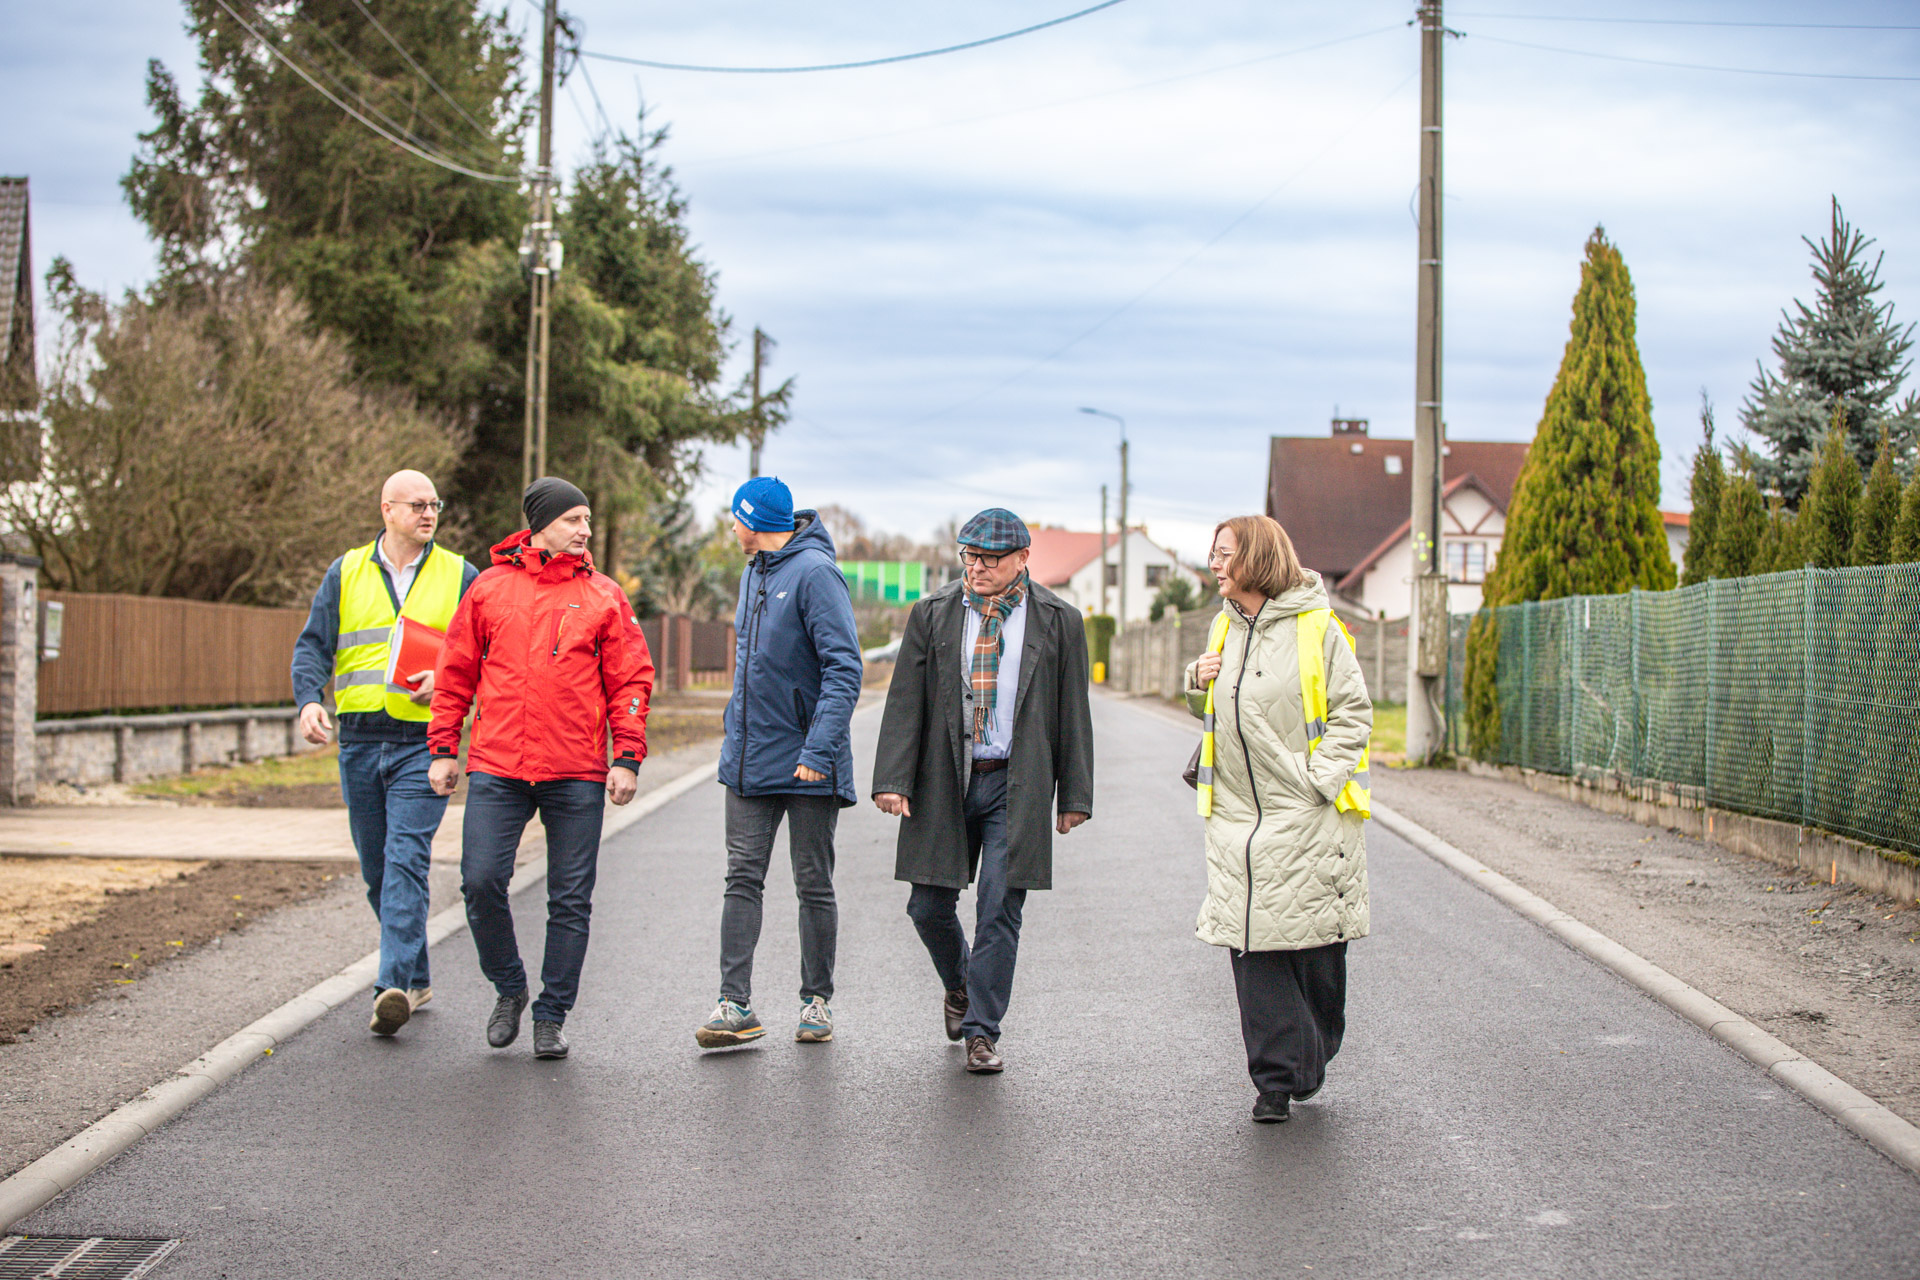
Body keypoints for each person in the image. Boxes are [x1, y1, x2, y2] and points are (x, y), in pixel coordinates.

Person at [427, 477, 654, 1061]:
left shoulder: (604, 595)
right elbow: (455, 674)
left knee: (570, 899)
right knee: (479, 882)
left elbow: (630, 680)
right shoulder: (488, 590)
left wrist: (626, 756)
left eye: (586, 521)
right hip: (499, 765)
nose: (585, 531)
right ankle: (510, 987)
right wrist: (442, 747)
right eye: (575, 520)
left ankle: (552, 1015)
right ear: (542, 524)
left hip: (576, 769)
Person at [872, 508, 1094, 1074]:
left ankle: (981, 1032)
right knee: (927, 906)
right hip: (944, 779)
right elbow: (906, 701)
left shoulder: (1059, 620)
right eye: (969, 557)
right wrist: (893, 780)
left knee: (999, 907)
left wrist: (1074, 795)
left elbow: (1073, 709)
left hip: (1014, 784)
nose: (976, 568)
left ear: (1023, 559)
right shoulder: (933, 613)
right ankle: (961, 985)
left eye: (990, 560)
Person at [1185, 515, 1371, 1123]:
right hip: (1236, 820)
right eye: (1212, 553)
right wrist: (1196, 683)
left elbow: (1353, 715)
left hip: (1307, 816)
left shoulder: (1319, 629)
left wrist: (1317, 780)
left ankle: (1312, 1052)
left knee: (1314, 950)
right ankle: (1274, 1082)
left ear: (1258, 559)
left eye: (1224, 553)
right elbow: (1217, 714)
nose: (1214, 563)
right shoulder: (1222, 626)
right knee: (1252, 949)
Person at [291, 470, 477, 1039]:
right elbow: (313, 645)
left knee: (405, 861)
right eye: (417, 505)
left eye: (435, 505)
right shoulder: (345, 571)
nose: (429, 514)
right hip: (358, 740)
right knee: (377, 871)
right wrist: (307, 701)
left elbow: (485, 653)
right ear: (387, 510)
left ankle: (390, 985)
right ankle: (416, 976)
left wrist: (444, 676)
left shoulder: (461, 575)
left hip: (425, 743)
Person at [695, 477, 863, 1049]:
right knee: (742, 877)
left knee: (812, 883)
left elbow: (844, 669)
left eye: (734, 517)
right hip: (749, 759)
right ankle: (733, 1004)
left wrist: (818, 751)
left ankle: (816, 1002)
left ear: (753, 520)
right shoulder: (754, 572)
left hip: (809, 765)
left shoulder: (815, 573)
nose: (730, 526)